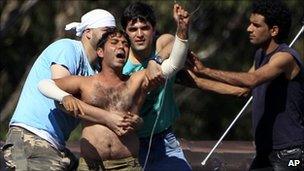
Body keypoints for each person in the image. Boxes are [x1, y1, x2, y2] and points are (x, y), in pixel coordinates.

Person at [38, 4, 190, 170]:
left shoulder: (136, 80)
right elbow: (45, 84)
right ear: (100, 52)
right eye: (115, 42)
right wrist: (64, 96)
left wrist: (182, 30)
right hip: (91, 165)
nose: (121, 47)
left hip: (127, 164)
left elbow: (174, 64)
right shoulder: (84, 82)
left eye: (125, 44)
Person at [1, 9, 134, 171]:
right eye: (106, 31)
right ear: (88, 32)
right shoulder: (68, 48)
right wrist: (107, 118)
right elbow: (62, 100)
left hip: (54, 146)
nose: (111, 37)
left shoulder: (94, 72)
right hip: (31, 138)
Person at [187, 0, 304, 170]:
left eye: (256, 25)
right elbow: (242, 90)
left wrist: (205, 70)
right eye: (250, 23)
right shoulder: (260, 55)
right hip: (265, 152)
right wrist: (197, 81)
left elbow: (252, 80)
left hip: (289, 154)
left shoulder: (285, 57)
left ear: (274, 30)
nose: (249, 29)